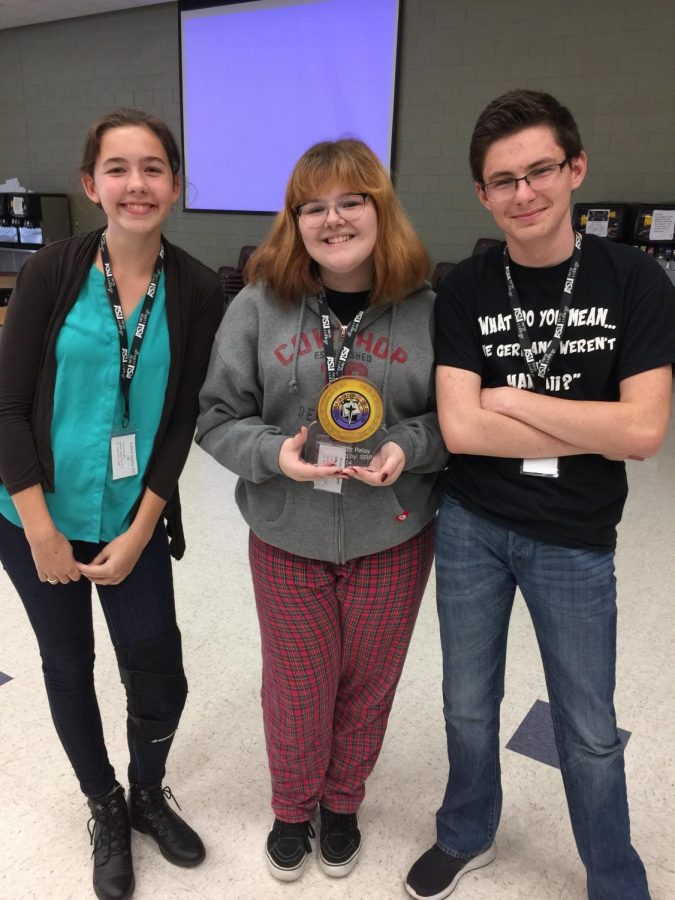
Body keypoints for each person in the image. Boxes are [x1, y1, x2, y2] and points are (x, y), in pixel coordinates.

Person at [404, 89, 675, 900]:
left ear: (575, 169)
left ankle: (612, 873)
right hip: (472, 527)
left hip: (575, 537)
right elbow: (458, 429)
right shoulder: (465, 286)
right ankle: (466, 832)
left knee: (588, 729)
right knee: (465, 703)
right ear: (481, 194)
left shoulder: (633, 279)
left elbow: (643, 434)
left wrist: (513, 399)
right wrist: (589, 423)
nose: (524, 193)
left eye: (540, 171)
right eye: (503, 180)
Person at [196, 138, 447, 883]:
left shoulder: (428, 309)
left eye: (350, 201)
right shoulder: (257, 306)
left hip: (392, 533)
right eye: (313, 207)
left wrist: (408, 444)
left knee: (369, 683)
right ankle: (289, 804)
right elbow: (215, 418)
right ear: (294, 220)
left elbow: (452, 421)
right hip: (286, 533)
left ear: (380, 210)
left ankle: (341, 804)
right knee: (297, 682)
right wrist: (275, 454)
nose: (332, 219)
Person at [0, 109, 223, 900]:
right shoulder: (52, 271)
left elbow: (181, 419)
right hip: (35, 516)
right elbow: (7, 407)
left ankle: (146, 789)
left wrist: (142, 528)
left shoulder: (197, 288)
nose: (137, 183)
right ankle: (103, 804)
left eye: (154, 167)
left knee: (158, 670)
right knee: (69, 666)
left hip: (132, 520)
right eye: (119, 168)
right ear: (92, 183)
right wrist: (40, 532)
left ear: (175, 184)